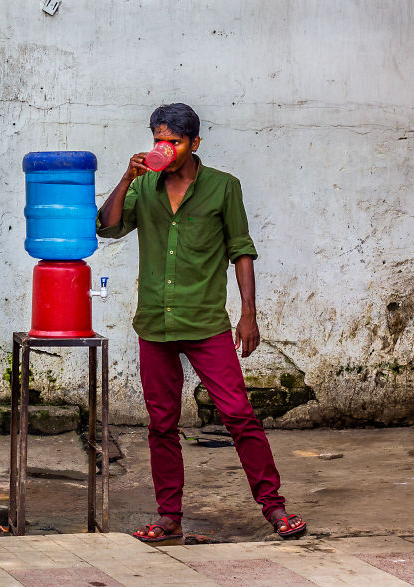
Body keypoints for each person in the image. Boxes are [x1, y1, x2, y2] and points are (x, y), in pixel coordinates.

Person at [96, 103, 306, 542]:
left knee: (239, 415)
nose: (164, 148)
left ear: (194, 143)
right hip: (155, 322)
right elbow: (108, 228)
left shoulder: (223, 187)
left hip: (207, 322)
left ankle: (274, 507)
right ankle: (169, 518)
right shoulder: (144, 185)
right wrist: (127, 178)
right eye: (159, 140)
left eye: (173, 141)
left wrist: (248, 314)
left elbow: (241, 250)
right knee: (161, 423)